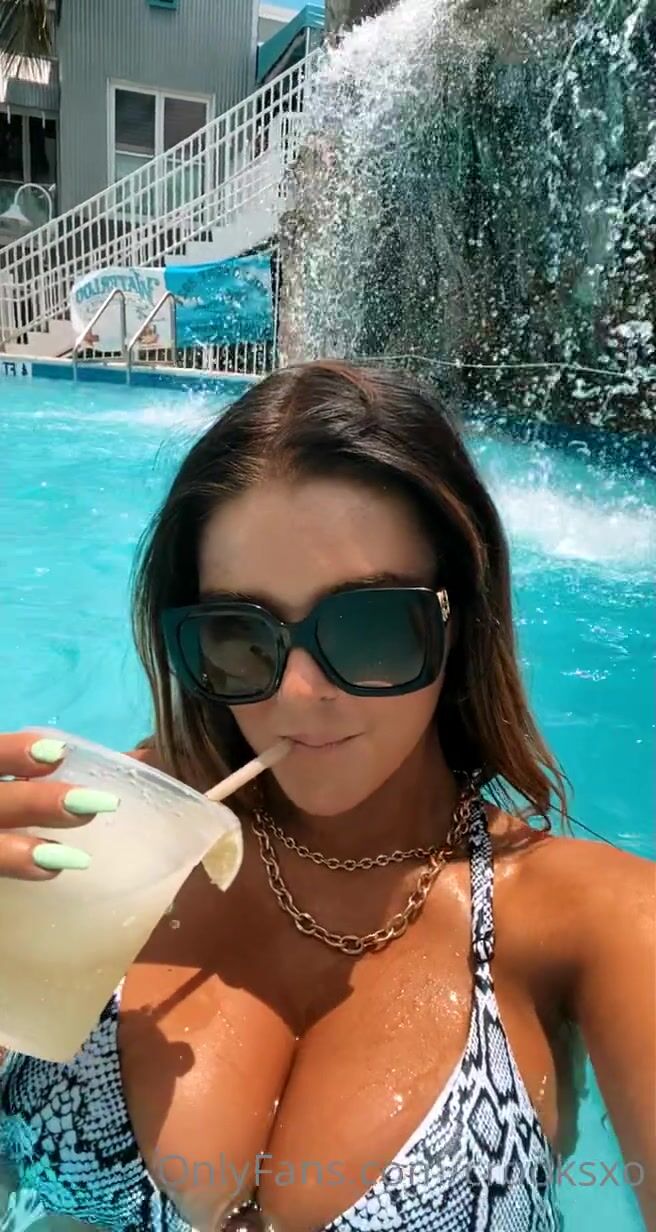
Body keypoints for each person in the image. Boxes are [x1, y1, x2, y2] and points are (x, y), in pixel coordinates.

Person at [0, 360, 654, 1232]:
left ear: (459, 623)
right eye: (238, 634)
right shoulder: (115, 830)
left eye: (370, 624)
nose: (298, 692)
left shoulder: (596, 924)